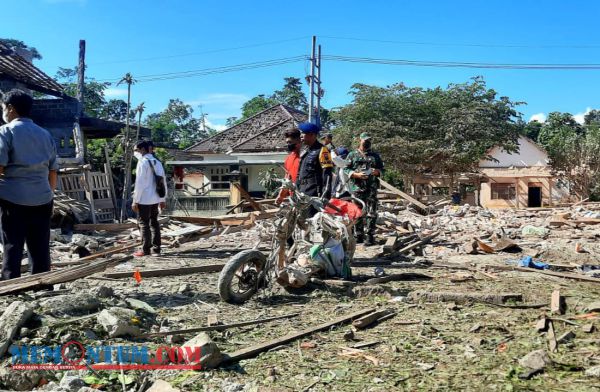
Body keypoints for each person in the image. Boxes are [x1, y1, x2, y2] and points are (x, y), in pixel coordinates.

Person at [0, 89, 58, 279]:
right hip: (42, 198)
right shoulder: (45, 134)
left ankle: (11, 286)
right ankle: (42, 284)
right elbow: (52, 170)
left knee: (12, 245)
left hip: (12, 198)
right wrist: (49, 195)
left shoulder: (5, 131)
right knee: (40, 246)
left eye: (3, 108)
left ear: (10, 108)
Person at [344, 132, 384, 246]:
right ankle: (359, 234)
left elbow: (382, 169)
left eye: (369, 141)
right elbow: (345, 168)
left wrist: (377, 172)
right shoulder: (352, 155)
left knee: (371, 212)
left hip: (371, 188)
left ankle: (370, 236)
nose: (367, 142)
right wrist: (355, 174)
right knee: (357, 211)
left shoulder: (375, 156)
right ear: (360, 140)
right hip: (357, 188)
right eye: (365, 140)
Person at [132, 141, 167, 257]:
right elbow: (163, 182)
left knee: (144, 224)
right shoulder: (158, 162)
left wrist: (135, 200)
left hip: (144, 199)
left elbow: (139, 183)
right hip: (156, 198)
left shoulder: (142, 163)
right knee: (154, 223)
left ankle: (145, 250)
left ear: (142, 150)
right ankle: (156, 249)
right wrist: (163, 199)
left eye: (138, 150)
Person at [296, 122, 333, 200]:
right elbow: (300, 173)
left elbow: (327, 173)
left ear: (312, 135)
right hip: (302, 191)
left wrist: (325, 193)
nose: (301, 136)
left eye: (303, 133)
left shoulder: (322, 150)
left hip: (314, 193)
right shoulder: (306, 151)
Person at [275, 129, 302, 205]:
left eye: (290, 142)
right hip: (294, 197)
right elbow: (287, 179)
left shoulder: (305, 157)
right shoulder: (288, 158)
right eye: (287, 142)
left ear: (299, 141)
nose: (288, 145)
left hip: (306, 196)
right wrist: (281, 196)